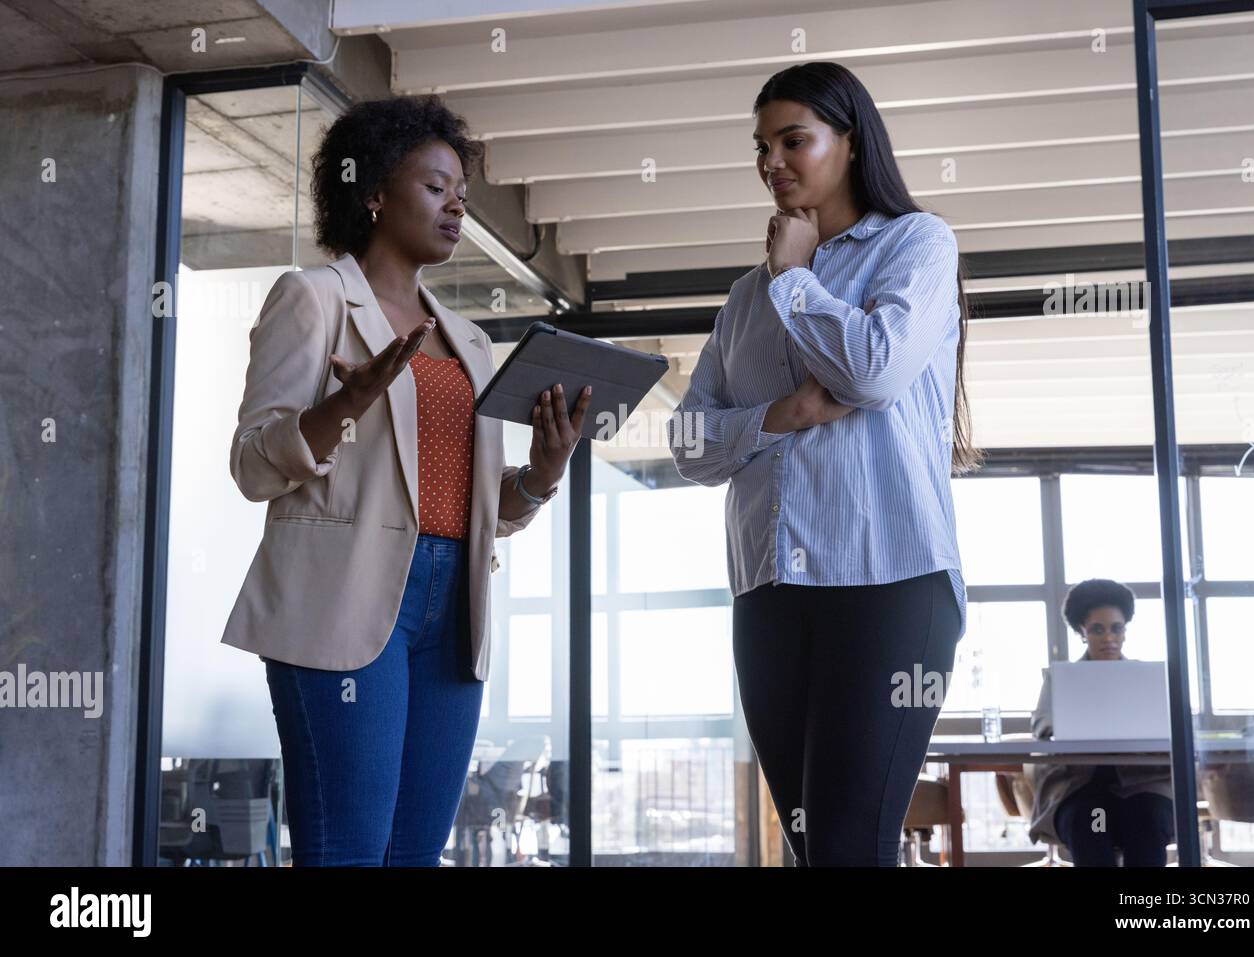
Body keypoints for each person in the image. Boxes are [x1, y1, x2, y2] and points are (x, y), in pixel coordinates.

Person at [219, 95, 591, 866]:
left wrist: (543, 476)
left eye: (461, 192)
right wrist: (347, 404)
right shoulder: (313, 297)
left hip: (455, 607)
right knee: (348, 848)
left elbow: (485, 508)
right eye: (435, 187)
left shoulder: (469, 342)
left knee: (414, 854)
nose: (457, 205)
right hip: (344, 599)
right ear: (373, 193)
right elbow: (254, 465)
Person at [666, 62, 980, 866]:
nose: (773, 162)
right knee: (810, 847)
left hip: (890, 581)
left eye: (793, 140)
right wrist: (788, 413)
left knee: (848, 843)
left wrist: (795, 278)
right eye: (762, 147)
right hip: (769, 592)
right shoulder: (743, 300)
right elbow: (690, 445)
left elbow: (871, 369)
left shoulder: (917, 243)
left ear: (850, 141)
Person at [1026, 578, 1176, 866]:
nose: (1109, 637)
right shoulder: (1061, 679)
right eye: (1098, 629)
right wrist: (1071, 729)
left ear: (1125, 631)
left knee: (1149, 819)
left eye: (1116, 628)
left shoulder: (1146, 680)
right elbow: (1043, 726)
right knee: (1091, 822)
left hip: (1143, 787)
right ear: (1082, 631)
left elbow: (1169, 730)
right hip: (1084, 789)